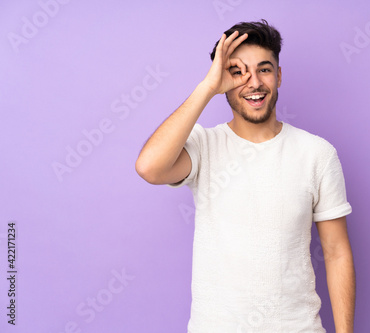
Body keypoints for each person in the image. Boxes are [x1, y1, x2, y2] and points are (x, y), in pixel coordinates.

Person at [135, 19, 355, 333]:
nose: (254, 83)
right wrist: (207, 87)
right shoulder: (203, 146)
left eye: (264, 69)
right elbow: (149, 168)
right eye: (238, 72)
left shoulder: (316, 154)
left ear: (278, 76)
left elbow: (336, 252)